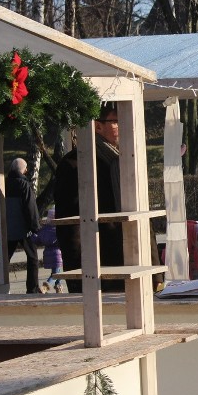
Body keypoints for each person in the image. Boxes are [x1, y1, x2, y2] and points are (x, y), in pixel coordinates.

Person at [55, 103, 163, 293]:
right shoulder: (74, 165)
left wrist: (155, 271)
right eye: (116, 121)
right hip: (100, 270)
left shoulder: (127, 161)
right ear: (97, 126)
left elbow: (144, 221)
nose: (123, 126)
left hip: (136, 263)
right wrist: (78, 279)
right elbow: (71, 228)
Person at [0, 158, 41, 293]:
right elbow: (30, 208)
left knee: (3, 259)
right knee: (33, 258)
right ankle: (32, 288)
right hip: (24, 230)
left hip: (7, 230)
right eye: (26, 168)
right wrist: (35, 227)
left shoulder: (3, 185)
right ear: (23, 170)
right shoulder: (24, 185)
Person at [31, 207, 64, 293]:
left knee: (57, 271)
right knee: (56, 274)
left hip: (47, 254)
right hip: (57, 254)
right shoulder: (58, 230)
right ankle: (45, 287)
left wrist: (32, 236)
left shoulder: (44, 229)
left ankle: (58, 287)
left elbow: (38, 240)